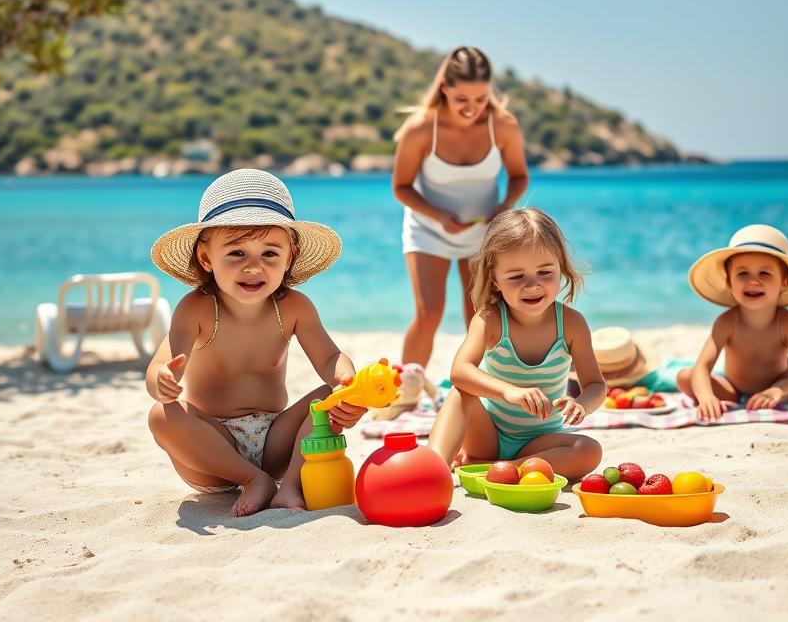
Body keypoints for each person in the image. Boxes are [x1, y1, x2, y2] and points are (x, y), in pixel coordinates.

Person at [146, 169, 366, 516]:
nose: (253, 267)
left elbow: (329, 358)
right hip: (214, 448)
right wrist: (162, 380)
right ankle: (252, 479)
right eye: (236, 254)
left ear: (290, 256)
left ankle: (290, 483)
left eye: (269, 254)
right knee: (162, 416)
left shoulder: (293, 307)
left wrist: (347, 381)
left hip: (276, 441)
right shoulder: (197, 308)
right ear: (206, 258)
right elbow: (162, 362)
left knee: (327, 395)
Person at [428, 208, 606, 479]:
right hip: (487, 434)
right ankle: (434, 470)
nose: (533, 286)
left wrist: (582, 404)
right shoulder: (490, 319)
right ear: (495, 279)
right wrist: (509, 391)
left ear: (561, 266)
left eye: (545, 272)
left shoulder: (571, 324)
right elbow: (460, 371)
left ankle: (498, 469)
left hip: (540, 441)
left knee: (589, 450)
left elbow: (595, 385)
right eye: (516, 277)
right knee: (460, 393)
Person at [392, 47, 529, 385]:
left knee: (480, 317)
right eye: (462, 99)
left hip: (483, 233)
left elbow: (519, 177)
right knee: (429, 314)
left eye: (481, 99)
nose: (472, 108)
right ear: (445, 90)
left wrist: (505, 204)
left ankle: (476, 388)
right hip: (428, 227)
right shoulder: (422, 128)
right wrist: (439, 215)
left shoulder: (503, 125)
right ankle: (406, 391)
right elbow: (402, 187)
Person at [678, 224, 788, 421]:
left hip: (778, 386)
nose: (753, 281)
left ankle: (773, 398)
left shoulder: (787, 322)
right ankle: (734, 401)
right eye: (742, 273)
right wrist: (706, 398)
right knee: (685, 377)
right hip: (733, 391)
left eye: (765, 273)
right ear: (730, 282)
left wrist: (778, 390)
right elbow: (702, 366)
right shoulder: (727, 322)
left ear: (784, 282)